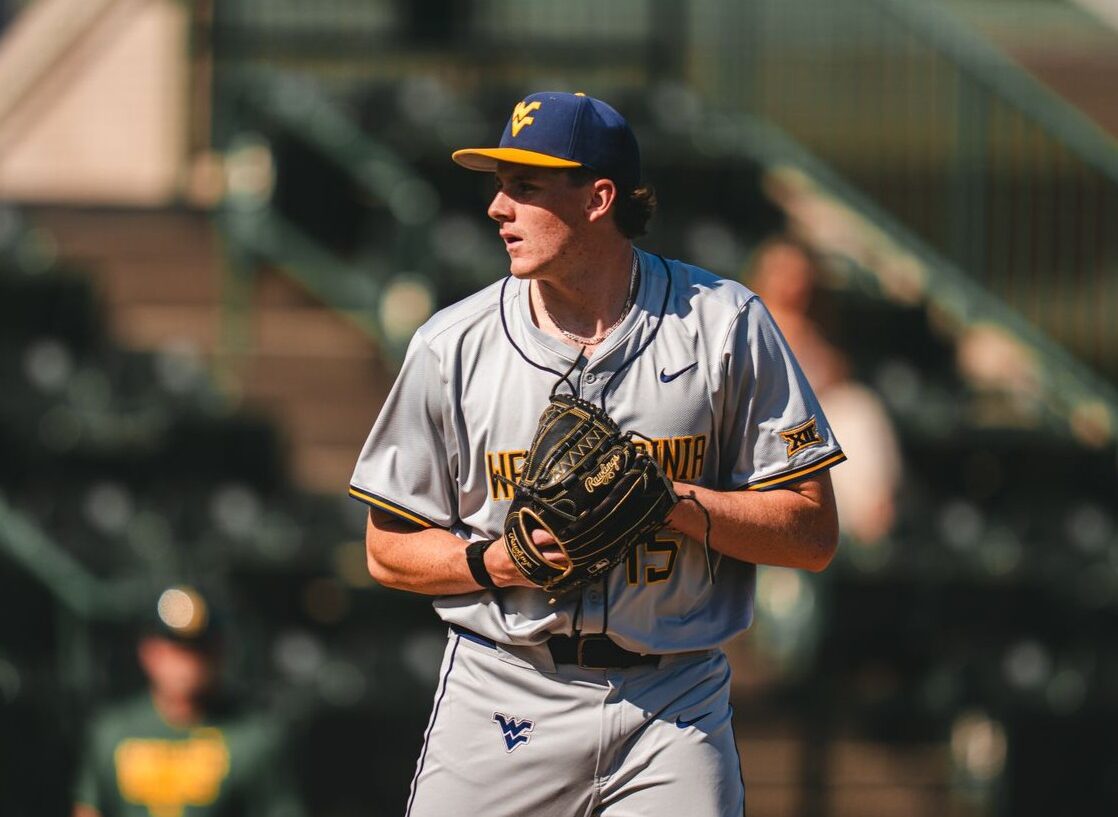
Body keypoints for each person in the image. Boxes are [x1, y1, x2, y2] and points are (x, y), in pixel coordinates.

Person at [349, 91, 845, 817]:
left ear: (599, 197)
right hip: (506, 684)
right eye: (498, 186)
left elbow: (813, 533)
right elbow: (384, 550)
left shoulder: (723, 325)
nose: (498, 208)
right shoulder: (451, 346)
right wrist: (496, 561)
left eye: (525, 186)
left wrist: (675, 504)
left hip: (672, 698)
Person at [72, 585, 305, 817]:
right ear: (149, 653)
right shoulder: (113, 731)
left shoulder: (252, 734)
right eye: (175, 650)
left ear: (218, 654)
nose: (185, 665)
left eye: (196, 651)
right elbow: (89, 808)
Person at [747, 235, 902, 546]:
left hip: (815, 422)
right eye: (784, 272)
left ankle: (873, 518)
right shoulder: (743, 321)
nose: (794, 283)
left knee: (858, 408)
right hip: (765, 429)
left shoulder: (812, 327)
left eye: (800, 274)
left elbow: (834, 376)